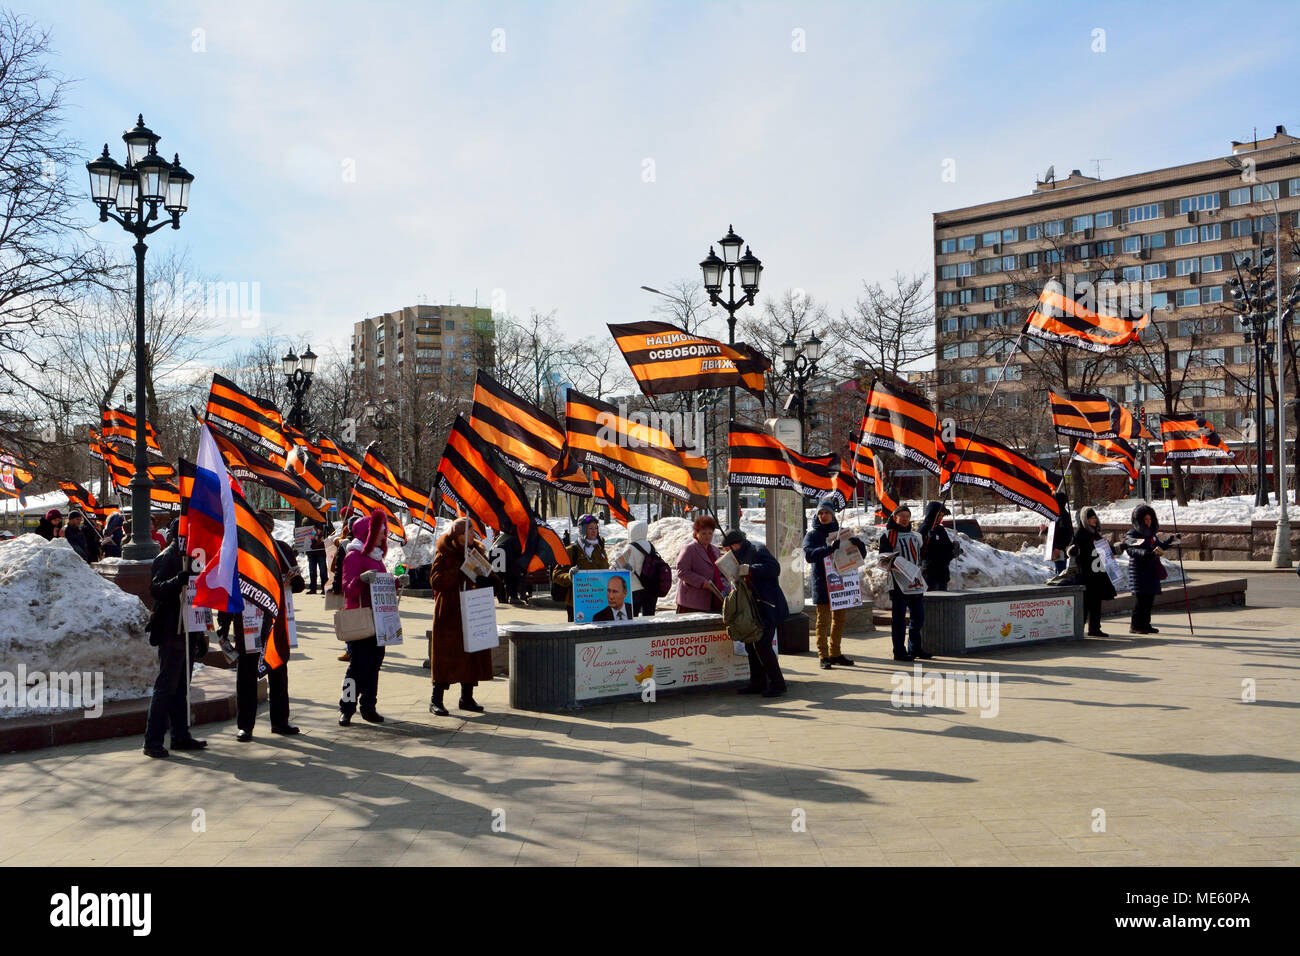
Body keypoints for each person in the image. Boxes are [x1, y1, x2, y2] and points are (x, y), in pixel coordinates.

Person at [234, 511, 303, 740]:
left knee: (278, 669)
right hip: (248, 620)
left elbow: (300, 585)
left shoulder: (281, 549)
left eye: (266, 528)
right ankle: (245, 725)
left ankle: (280, 721)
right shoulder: (241, 549)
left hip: (277, 620)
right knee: (246, 674)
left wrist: (292, 578)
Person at [142, 519, 206, 758]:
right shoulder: (167, 557)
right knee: (166, 687)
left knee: (182, 688)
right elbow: (156, 589)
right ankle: (153, 740)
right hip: (171, 630)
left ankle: (180, 735)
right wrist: (178, 580)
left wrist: (200, 633)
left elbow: (198, 596)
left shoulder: (193, 558)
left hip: (188, 628)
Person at [429, 518, 495, 715]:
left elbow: (490, 577)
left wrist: (490, 582)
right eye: (469, 532)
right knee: (445, 656)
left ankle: (467, 697)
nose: (473, 535)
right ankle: (436, 700)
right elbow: (436, 580)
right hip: (449, 612)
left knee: (472, 653)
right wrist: (460, 570)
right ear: (457, 536)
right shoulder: (445, 554)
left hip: (472, 609)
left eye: (473, 531)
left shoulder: (476, 553)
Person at [720, 528, 787, 698]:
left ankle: (778, 684)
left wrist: (751, 569)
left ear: (736, 544)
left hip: (769, 605)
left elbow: (774, 568)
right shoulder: (737, 555)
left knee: (763, 645)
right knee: (751, 644)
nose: (727, 552)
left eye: (728, 548)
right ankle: (757, 682)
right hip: (753, 607)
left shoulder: (757, 549)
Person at [339, 508, 390, 725]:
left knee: (374, 665)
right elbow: (348, 590)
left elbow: (382, 585)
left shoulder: (377, 557)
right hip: (360, 620)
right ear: (368, 533)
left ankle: (368, 706)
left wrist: (396, 582)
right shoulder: (353, 556)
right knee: (357, 668)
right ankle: (347, 706)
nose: (383, 534)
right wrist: (361, 579)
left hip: (379, 620)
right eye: (380, 531)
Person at [803, 497, 867, 669]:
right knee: (822, 621)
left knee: (839, 620)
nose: (824, 516)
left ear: (833, 515)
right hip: (822, 583)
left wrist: (859, 545)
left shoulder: (841, 532)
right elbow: (809, 555)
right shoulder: (812, 535)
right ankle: (823, 655)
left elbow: (858, 558)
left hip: (841, 583)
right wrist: (829, 549)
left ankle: (835, 653)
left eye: (827, 513)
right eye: (821, 513)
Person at [878, 504, 930, 661]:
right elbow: (882, 558)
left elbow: (921, 555)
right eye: (902, 516)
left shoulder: (916, 536)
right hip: (898, 583)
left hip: (915, 581)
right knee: (899, 620)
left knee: (918, 617)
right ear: (895, 518)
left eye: (908, 516)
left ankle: (915, 648)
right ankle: (899, 652)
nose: (905, 519)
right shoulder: (888, 535)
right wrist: (895, 562)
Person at [1124, 504, 1177, 635]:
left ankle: (1146, 624)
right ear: (1139, 520)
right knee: (1141, 599)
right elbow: (1132, 550)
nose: (1148, 522)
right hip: (1139, 571)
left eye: (1150, 519)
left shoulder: (1151, 534)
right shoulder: (1133, 533)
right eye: (1145, 519)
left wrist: (1170, 541)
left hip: (1152, 569)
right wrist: (1148, 554)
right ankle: (1135, 625)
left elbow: (1158, 546)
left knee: (1149, 599)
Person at [551, 514, 608, 622]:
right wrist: (569, 576)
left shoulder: (600, 550)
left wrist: (618, 569)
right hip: (576, 602)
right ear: (583, 530)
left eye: (596, 528)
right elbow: (556, 574)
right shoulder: (572, 550)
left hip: (597, 601)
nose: (594, 531)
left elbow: (605, 571)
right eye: (590, 528)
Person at [1073, 506, 1117, 637]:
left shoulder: (1095, 534)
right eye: (1091, 518)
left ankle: (1095, 628)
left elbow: (1105, 549)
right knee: (1085, 604)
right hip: (1086, 573)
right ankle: (1078, 629)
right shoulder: (1080, 534)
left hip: (1098, 573)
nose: (1094, 521)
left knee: (1096, 602)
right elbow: (1072, 548)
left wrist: (1117, 549)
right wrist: (1073, 550)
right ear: (1085, 520)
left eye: (1094, 518)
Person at [676, 515, 726, 613]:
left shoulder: (715, 550)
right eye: (703, 533)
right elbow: (682, 571)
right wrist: (702, 582)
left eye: (710, 533)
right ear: (696, 534)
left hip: (712, 599)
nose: (707, 536)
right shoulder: (689, 549)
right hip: (692, 602)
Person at [615, 520, 660, 617]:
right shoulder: (651, 546)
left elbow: (623, 567)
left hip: (635, 589)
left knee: (633, 618)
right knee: (649, 618)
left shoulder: (630, 547)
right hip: (650, 588)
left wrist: (617, 556)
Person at [920, 501, 959, 591]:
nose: (940, 518)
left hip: (942, 573)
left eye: (942, 515)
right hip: (930, 573)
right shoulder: (924, 528)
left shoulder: (940, 529)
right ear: (931, 514)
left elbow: (946, 546)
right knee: (932, 601)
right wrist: (927, 539)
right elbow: (920, 549)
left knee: (942, 601)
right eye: (938, 515)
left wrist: (954, 549)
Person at [1046, 490, 1073, 574]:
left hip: (1059, 549)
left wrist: (1059, 548)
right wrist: (1045, 530)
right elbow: (1054, 530)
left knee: (1060, 572)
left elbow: (1066, 534)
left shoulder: (1063, 515)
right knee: (1058, 570)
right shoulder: (1056, 514)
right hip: (1055, 547)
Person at [304, 517, 328, 594]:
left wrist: (323, 537)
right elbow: (302, 535)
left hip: (320, 551)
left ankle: (323, 588)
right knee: (313, 571)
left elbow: (329, 533)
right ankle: (313, 588)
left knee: (322, 571)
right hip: (311, 551)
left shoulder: (323, 521)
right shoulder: (306, 520)